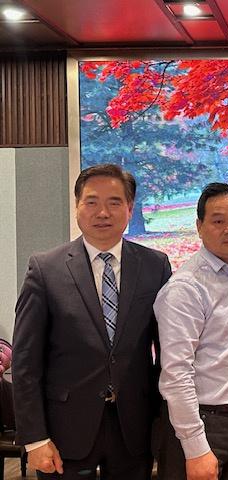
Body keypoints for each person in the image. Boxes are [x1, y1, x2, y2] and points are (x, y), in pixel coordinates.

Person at [12, 163, 172, 479]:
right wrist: (34, 438)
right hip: (64, 429)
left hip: (134, 427)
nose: (103, 213)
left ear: (129, 209)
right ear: (77, 207)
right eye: (92, 202)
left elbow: (167, 352)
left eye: (114, 202)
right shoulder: (45, 269)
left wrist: (162, 424)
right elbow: (25, 362)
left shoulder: (155, 266)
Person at [153, 182, 228, 480]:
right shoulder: (186, 288)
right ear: (199, 227)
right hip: (199, 425)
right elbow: (176, 373)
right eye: (218, 221)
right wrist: (195, 448)